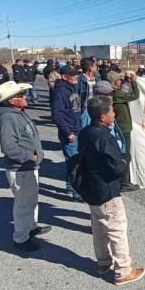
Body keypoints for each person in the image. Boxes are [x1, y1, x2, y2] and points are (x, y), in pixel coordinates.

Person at [76, 96, 145, 285]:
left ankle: (103, 262)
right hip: (106, 190)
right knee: (116, 229)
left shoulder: (85, 132)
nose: (114, 114)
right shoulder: (104, 137)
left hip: (91, 188)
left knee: (98, 227)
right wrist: (123, 162)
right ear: (102, 117)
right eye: (111, 112)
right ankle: (123, 270)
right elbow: (116, 166)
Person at [0, 81, 50, 251]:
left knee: (31, 200)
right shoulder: (8, 118)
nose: (25, 97)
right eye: (20, 95)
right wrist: (30, 157)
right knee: (23, 204)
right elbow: (9, 148)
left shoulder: (19, 113)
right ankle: (21, 238)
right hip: (21, 168)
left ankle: (31, 227)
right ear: (11, 101)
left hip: (29, 167)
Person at [51, 65, 83, 201]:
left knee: (75, 162)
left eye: (76, 74)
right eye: (73, 75)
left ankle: (71, 186)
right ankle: (76, 192)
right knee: (74, 163)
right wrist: (68, 132)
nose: (76, 77)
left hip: (77, 129)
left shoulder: (72, 87)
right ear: (64, 77)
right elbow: (57, 115)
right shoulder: (60, 91)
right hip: (70, 133)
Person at [107, 71, 140, 192]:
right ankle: (124, 182)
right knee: (125, 155)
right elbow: (135, 95)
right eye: (120, 80)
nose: (121, 82)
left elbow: (127, 92)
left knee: (122, 154)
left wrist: (129, 81)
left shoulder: (114, 93)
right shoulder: (117, 94)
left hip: (121, 127)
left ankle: (122, 181)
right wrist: (135, 81)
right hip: (123, 128)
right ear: (116, 82)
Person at [78, 58, 97, 128]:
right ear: (90, 68)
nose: (96, 67)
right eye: (95, 65)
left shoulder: (96, 78)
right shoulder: (80, 80)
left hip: (95, 109)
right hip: (85, 110)